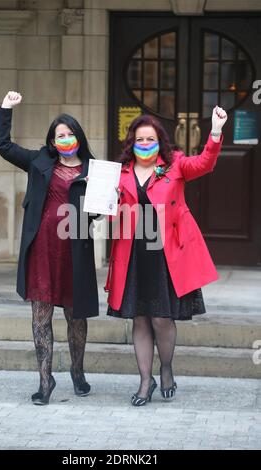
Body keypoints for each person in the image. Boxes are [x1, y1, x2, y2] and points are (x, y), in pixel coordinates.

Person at [105, 106, 227, 406]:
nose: (145, 144)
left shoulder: (176, 165)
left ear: (160, 141)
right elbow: (109, 214)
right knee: (140, 319)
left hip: (166, 254)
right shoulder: (118, 172)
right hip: (133, 253)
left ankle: (167, 368)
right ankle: (145, 381)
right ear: (131, 141)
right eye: (139, 139)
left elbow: (205, 164)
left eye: (151, 138)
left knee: (161, 317)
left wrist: (214, 131)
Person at [0, 91, 99, 405]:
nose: (66, 139)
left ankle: (77, 372)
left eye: (70, 134)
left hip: (75, 252)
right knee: (40, 315)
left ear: (78, 137)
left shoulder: (95, 169)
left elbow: (99, 209)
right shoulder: (39, 161)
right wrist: (6, 109)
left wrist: (103, 207)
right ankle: (45, 380)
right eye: (60, 136)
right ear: (53, 142)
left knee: (75, 316)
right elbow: (3, 146)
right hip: (42, 248)